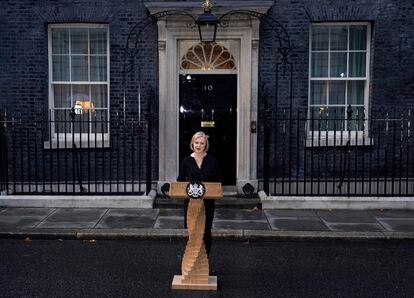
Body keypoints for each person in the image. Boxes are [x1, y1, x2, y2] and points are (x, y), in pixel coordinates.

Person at [177, 131, 221, 256]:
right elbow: (180, 180)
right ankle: (193, 263)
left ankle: (204, 261)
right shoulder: (186, 161)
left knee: (206, 231)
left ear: (205, 145)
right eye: (196, 142)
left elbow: (218, 181)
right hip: (191, 203)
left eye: (201, 143)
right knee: (193, 232)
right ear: (192, 143)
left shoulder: (212, 160)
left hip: (207, 203)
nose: (198, 145)